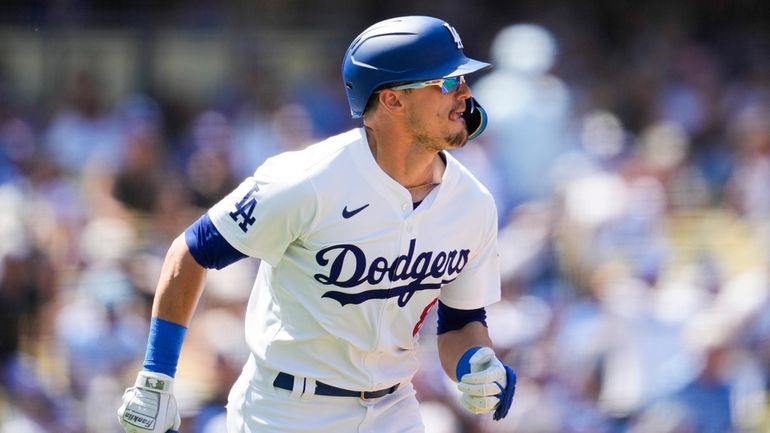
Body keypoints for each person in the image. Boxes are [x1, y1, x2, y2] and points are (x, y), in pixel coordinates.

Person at [117, 15, 516, 433]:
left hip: (394, 409)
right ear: (393, 101)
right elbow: (192, 251)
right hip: (285, 410)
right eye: (447, 82)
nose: (466, 93)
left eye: (463, 80)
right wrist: (156, 379)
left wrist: (477, 363)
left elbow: (460, 324)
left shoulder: (473, 203)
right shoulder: (306, 181)